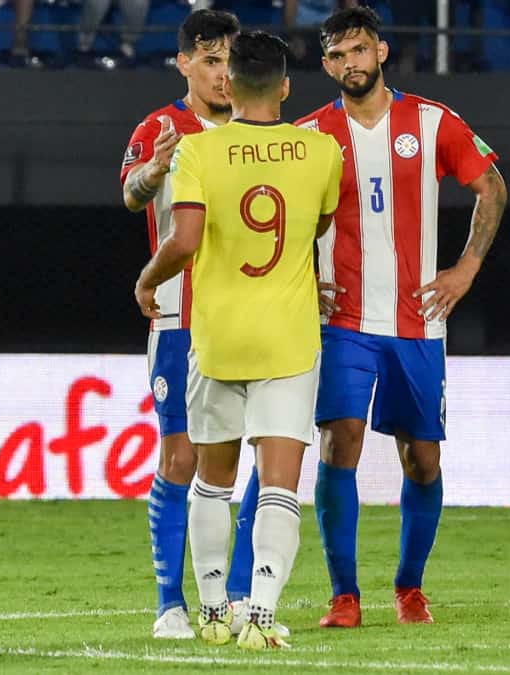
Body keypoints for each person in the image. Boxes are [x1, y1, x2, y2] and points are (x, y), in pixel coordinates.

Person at [298, 6, 507, 628]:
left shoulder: (433, 121)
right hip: (345, 321)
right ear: (326, 64)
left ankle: (410, 587)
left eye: (359, 50)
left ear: (381, 51)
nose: (349, 63)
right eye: (336, 55)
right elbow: (279, 220)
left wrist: (466, 268)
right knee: (341, 444)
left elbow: (491, 186)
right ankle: (345, 596)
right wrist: (305, 281)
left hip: (418, 323)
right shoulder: (309, 135)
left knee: (423, 459)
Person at [135, 30, 342, 650]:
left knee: (210, 481)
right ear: (284, 86)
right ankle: (261, 613)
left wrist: (148, 281)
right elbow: (318, 224)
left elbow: (185, 239)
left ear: (233, 84)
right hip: (288, 338)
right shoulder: (321, 150)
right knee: (279, 484)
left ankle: (213, 610)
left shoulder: (200, 151)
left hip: (219, 336)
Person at [120, 8, 271, 641]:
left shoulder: (260, 130)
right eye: (208, 61)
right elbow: (131, 194)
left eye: (227, 61)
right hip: (180, 320)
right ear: (183, 62)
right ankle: (169, 604)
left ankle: (237, 594)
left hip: (249, 317)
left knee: (263, 449)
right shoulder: (161, 128)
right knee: (181, 456)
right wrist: (155, 169)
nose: (220, 74)